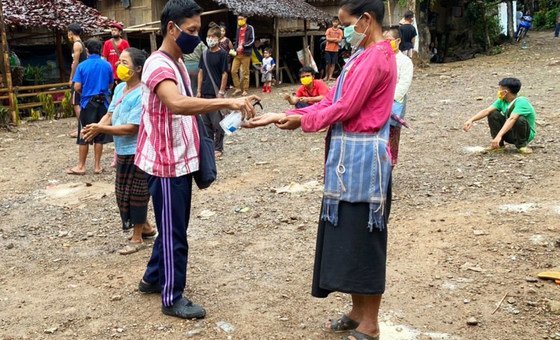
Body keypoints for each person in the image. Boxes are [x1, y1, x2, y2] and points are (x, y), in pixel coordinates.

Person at [246, 0, 396, 338]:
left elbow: (346, 106)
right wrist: (291, 116)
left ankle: (371, 323)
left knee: (365, 239)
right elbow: (332, 99)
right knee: (348, 237)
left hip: (365, 162)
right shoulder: (361, 55)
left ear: (366, 20)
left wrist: (301, 121)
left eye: (345, 23)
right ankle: (358, 312)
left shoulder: (376, 57)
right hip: (349, 159)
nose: (341, 30)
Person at [134, 0, 260, 320]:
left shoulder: (176, 62)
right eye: (190, 31)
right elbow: (176, 104)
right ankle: (171, 295)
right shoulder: (158, 65)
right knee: (175, 231)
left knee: (171, 225)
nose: (196, 37)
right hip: (165, 164)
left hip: (178, 159)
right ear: (171, 28)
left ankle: (152, 278)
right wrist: (226, 104)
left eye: (198, 31)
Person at [82, 48, 156, 254]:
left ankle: (138, 237)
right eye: (119, 61)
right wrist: (96, 126)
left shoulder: (143, 93)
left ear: (138, 69)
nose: (118, 65)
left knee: (137, 193)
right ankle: (147, 227)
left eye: (124, 62)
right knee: (122, 192)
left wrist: (102, 129)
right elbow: (111, 113)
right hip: (122, 150)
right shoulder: (119, 88)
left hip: (138, 150)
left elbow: (133, 127)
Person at [66, 38, 114, 175]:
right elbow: (111, 84)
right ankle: (97, 166)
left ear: (86, 50)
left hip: (88, 102)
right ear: (100, 50)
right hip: (103, 102)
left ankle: (81, 166)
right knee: (99, 133)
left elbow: (77, 86)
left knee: (85, 133)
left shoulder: (82, 66)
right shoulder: (107, 65)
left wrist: (85, 93)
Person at [463, 78, 536, 154]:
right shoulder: (502, 100)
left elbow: (512, 119)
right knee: (493, 113)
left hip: (524, 135)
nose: (498, 91)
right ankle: (498, 145)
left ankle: (522, 146)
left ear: (505, 92)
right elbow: (487, 111)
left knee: (519, 119)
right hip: (510, 133)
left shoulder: (522, 102)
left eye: (500, 89)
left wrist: (499, 136)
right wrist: (471, 120)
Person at [197, 25, 229, 158]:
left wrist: (221, 91)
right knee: (205, 124)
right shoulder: (204, 54)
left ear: (218, 38)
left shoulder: (222, 54)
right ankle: (209, 147)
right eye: (208, 37)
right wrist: (198, 90)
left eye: (213, 37)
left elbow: (224, 73)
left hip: (216, 94)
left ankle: (218, 148)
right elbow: (200, 72)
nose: (210, 39)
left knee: (218, 123)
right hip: (204, 93)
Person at [384, 26, 413, 166]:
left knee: (392, 134)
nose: (386, 43)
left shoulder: (405, 61)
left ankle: (390, 165)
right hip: (379, 103)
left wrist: (390, 98)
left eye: (389, 40)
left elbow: (404, 84)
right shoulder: (381, 58)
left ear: (398, 40)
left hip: (395, 103)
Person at [67, 23, 88, 138]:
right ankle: (82, 127)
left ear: (71, 32)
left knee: (76, 103)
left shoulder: (76, 44)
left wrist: (72, 77)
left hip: (79, 77)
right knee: (80, 102)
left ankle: (82, 128)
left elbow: (75, 62)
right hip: (83, 76)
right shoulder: (82, 44)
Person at [231, 15, 255, 96]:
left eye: (241, 19)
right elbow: (237, 40)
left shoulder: (250, 28)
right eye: (238, 19)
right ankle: (237, 88)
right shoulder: (238, 29)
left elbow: (252, 40)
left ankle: (245, 89)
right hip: (237, 54)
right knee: (233, 71)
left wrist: (243, 46)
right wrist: (235, 48)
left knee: (245, 73)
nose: (240, 20)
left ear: (246, 19)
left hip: (246, 54)